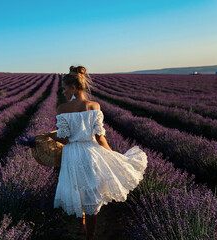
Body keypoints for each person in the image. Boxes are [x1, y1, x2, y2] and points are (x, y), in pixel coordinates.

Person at [47, 65, 148, 240]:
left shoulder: (62, 109)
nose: (62, 92)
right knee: (91, 194)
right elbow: (100, 138)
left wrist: (50, 135)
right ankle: (90, 236)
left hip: (71, 154)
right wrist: (114, 156)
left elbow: (64, 139)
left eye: (64, 88)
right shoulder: (94, 106)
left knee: (77, 189)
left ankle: (82, 225)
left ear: (73, 87)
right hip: (90, 153)